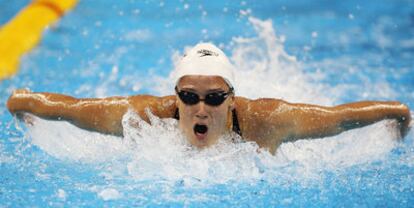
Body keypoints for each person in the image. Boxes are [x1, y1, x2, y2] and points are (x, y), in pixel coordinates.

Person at [6, 43, 412, 154]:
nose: (201, 108)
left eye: (215, 98)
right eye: (190, 97)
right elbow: (73, 109)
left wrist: (395, 113)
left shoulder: (267, 120)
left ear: (232, 100)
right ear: (176, 98)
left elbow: (338, 117)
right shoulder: (147, 118)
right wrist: (23, 103)